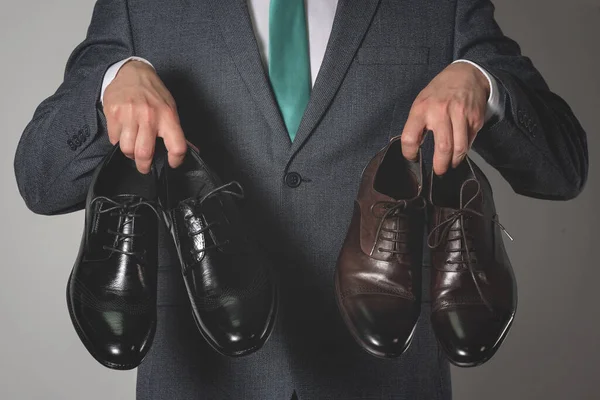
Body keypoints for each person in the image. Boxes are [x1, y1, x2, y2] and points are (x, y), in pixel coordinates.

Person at [14, 0, 588, 399]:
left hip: (386, 378)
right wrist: (110, 83)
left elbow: (563, 169)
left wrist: (481, 84)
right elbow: (42, 181)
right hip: (201, 379)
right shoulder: (143, 6)